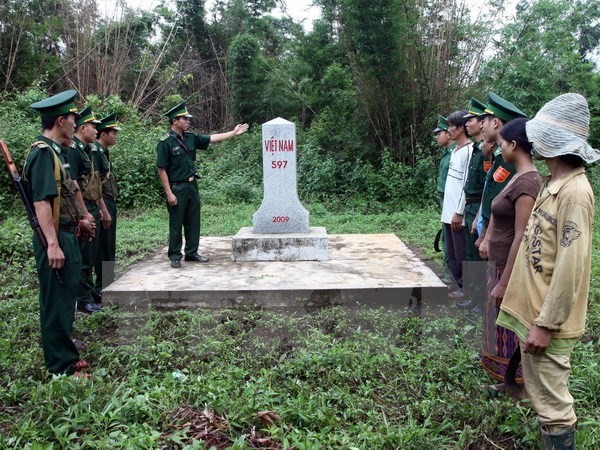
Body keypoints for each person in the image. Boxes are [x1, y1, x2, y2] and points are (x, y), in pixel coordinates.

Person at [497, 93, 600, 449]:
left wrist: (545, 324)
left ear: (552, 143)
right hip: (536, 310)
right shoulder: (551, 184)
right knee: (542, 399)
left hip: (549, 321)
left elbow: (572, 267)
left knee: (554, 408)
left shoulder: (575, 193)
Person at [25, 90, 91, 376]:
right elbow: (41, 201)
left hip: (67, 233)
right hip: (55, 238)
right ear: (60, 120)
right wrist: (52, 244)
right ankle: (61, 366)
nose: (76, 123)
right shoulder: (42, 154)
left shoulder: (58, 152)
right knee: (55, 302)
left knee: (65, 299)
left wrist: (83, 218)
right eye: (73, 119)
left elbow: (69, 192)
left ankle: (65, 347)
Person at [481, 118, 540, 392]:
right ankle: (505, 378)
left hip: (510, 266)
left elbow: (522, 235)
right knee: (497, 320)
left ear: (514, 145)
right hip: (499, 261)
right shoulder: (516, 175)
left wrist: (505, 280)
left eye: (503, 143)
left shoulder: (528, 183)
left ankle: (517, 383)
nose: (500, 148)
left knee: (510, 323)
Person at [156, 101, 249, 268]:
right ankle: (175, 256)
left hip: (192, 186)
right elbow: (161, 169)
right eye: (184, 118)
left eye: (188, 118)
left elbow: (212, 138)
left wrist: (234, 133)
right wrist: (169, 192)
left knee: (193, 221)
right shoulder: (165, 143)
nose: (188, 121)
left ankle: (191, 253)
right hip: (177, 187)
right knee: (176, 222)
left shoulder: (191, 137)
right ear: (174, 121)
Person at [476, 92, 527, 260]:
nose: (481, 126)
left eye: (485, 122)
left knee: (491, 279)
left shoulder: (509, 160)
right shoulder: (498, 156)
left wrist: (487, 236)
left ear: (496, 122)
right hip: (488, 226)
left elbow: (500, 202)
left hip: (499, 233)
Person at [69, 106, 109, 313]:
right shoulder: (74, 150)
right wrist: (85, 212)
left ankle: (90, 290)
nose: (96, 130)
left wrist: (100, 208)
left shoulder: (87, 150)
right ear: (83, 128)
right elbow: (74, 184)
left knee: (91, 255)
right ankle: (83, 299)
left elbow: (94, 183)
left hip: (92, 206)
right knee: (84, 257)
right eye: (94, 126)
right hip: (83, 209)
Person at [457, 98, 490, 311]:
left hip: (478, 205)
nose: (467, 123)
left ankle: (480, 298)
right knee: (470, 253)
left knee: (479, 256)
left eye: (472, 119)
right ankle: (472, 293)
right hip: (470, 206)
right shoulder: (477, 149)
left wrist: (479, 214)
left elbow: (488, 186)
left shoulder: (487, 150)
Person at [441, 110, 472, 295]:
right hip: (448, 211)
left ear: (461, 128)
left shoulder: (468, 151)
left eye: (452, 126)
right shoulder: (455, 151)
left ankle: (463, 286)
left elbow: (466, 185)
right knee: (452, 252)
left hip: (457, 214)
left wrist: (459, 212)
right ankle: (454, 282)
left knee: (461, 252)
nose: (449, 130)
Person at [93, 113, 121, 298]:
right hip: (102, 203)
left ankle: (108, 282)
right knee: (102, 246)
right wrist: (103, 209)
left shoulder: (103, 152)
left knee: (109, 245)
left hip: (109, 202)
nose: (115, 136)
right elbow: (93, 186)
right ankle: (102, 286)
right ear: (104, 134)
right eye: (114, 133)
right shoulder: (95, 153)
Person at [433, 115, 454, 284]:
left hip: (451, 199)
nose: (437, 137)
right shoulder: (447, 153)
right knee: (446, 236)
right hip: (444, 198)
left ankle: (450, 275)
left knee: (449, 238)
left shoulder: (455, 153)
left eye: (439, 133)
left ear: (448, 134)